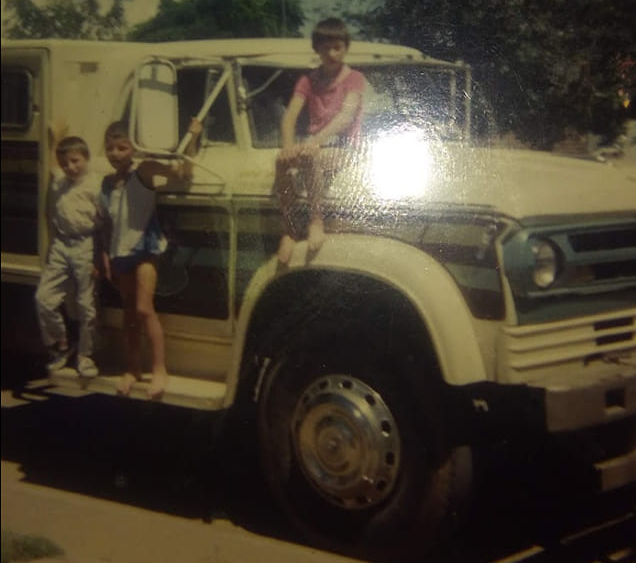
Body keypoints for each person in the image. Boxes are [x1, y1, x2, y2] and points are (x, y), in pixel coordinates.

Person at [100, 118, 202, 399]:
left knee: (145, 309)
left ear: (134, 148)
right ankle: (132, 369)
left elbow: (184, 171)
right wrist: (105, 254)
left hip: (145, 249)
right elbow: (107, 223)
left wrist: (192, 138)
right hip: (119, 254)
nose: (115, 153)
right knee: (129, 315)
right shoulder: (107, 183)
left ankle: (159, 369)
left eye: (122, 147)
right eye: (110, 148)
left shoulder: (144, 170)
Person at [274, 17, 366, 263]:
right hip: (314, 144)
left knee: (309, 156)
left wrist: (315, 141)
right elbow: (289, 117)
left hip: (344, 146)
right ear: (317, 49)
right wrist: (287, 147)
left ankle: (316, 221)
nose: (332, 53)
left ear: (346, 48)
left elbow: (345, 117)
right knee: (281, 162)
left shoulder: (354, 78)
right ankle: (290, 230)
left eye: (338, 47)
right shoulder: (308, 80)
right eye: (326, 48)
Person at [35, 125, 103, 377]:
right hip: (61, 245)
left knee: (86, 303)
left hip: (86, 244)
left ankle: (85, 355)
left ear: (86, 159)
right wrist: (56, 138)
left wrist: (99, 256)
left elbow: (104, 224)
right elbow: (54, 160)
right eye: (65, 164)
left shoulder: (95, 186)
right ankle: (62, 344)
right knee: (44, 299)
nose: (70, 167)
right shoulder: (58, 183)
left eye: (75, 161)